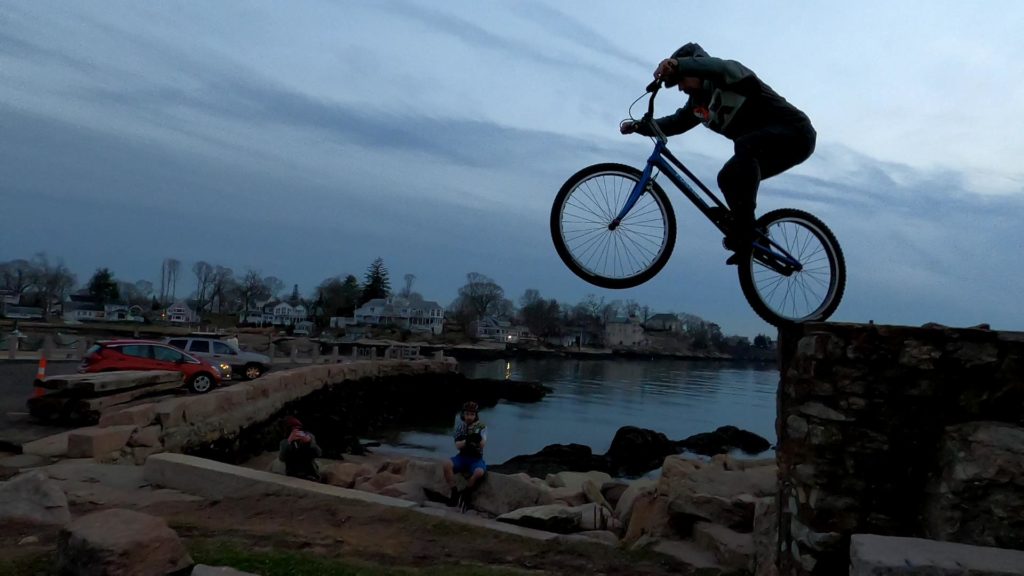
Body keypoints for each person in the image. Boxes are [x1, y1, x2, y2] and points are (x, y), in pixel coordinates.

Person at [621, 43, 816, 264]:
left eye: (681, 80)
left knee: (745, 145)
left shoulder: (728, 74)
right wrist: (639, 127)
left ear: (695, 68)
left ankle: (745, 228)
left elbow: (715, 67)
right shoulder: (698, 105)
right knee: (728, 178)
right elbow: (676, 123)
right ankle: (755, 242)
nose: (681, 88)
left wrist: (676, 64)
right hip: (768, 148)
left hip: (796, 133)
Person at [442, 401, 487, 505]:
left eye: (472, 414)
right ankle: (454, 491)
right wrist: (467, 441)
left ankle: (467, 492)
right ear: (463, 414)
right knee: (446, 464)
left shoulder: (481, 427)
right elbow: (457, 445)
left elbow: (482, 445)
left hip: (476, 458)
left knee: (479, 472)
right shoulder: (460, 427)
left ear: (475, 415)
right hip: (462, 457)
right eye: (467, 414)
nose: (469, 417)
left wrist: (478, 439)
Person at [278, 416, 322, 481]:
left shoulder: (309, 436)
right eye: (293, 429)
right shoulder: (284, 442)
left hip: (310, 472)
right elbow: (282, 458)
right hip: (293, 473)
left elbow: (318, 453)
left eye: (299, 429)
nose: (297, 431)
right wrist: (289, 441)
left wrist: (309, 443)